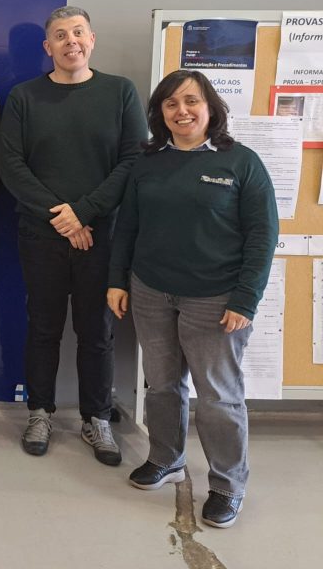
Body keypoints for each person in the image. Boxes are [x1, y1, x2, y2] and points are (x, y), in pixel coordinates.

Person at [108, 69, 278, 529]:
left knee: (219, 396)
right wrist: (117, 280)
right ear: (160, 113)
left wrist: (245, 300)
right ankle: (167, 458)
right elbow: (127, 227)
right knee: (162, 385)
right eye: (171, 104)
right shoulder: (148, 163)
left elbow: (263, 236)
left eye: (191, 101)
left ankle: (227, 484)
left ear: (210, 108)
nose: (181, 111)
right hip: (151, 290)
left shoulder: (241, 162)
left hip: (215, 298)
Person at [0, 5, 146, 465]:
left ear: (92, 39)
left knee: (97, 332)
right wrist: (63, 219)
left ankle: (96, 417)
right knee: (42, 328)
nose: (71, 42)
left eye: (78, 32)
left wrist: (83, 213)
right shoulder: (24, 97)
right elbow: (11, 165)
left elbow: (132, 161)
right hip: (40, 235)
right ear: (48, 47)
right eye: (60, 36)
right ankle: (40, 412)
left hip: (101, 237)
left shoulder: (120, 92)